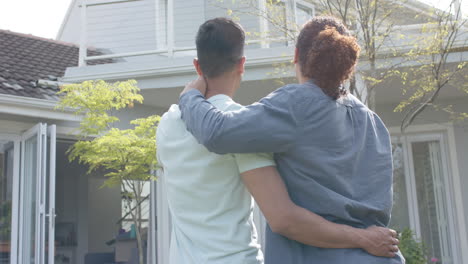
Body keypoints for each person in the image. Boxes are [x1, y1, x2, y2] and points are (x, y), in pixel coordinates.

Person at [158, 17, 400, 264]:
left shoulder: (295, 105)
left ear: (296, 56)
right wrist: (365, 239)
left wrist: (189, 96)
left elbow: (217, 132)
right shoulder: (374, 123)